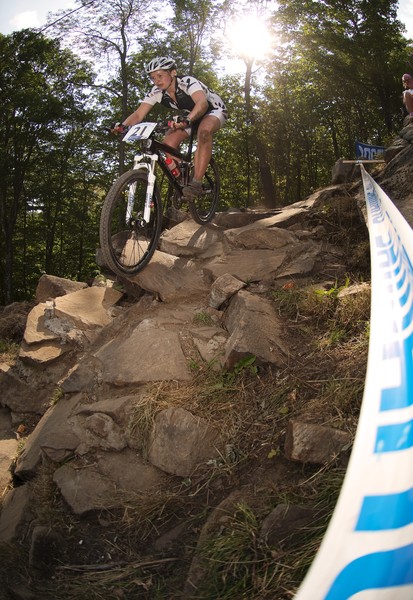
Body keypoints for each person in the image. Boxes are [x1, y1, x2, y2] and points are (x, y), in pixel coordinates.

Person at [114, 56, 227, 200]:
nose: (157, 81)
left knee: (204, 132)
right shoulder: (156, 92)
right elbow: (138, 114)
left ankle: (197, 182)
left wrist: (187, 120)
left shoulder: (187, 82)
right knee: (167, 145)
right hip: (190, 115)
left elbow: (201, 103)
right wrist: (122, 127)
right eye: (153, 78)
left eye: (160, 75)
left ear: (173, 72)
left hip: (213, 110)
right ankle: (182, 180)